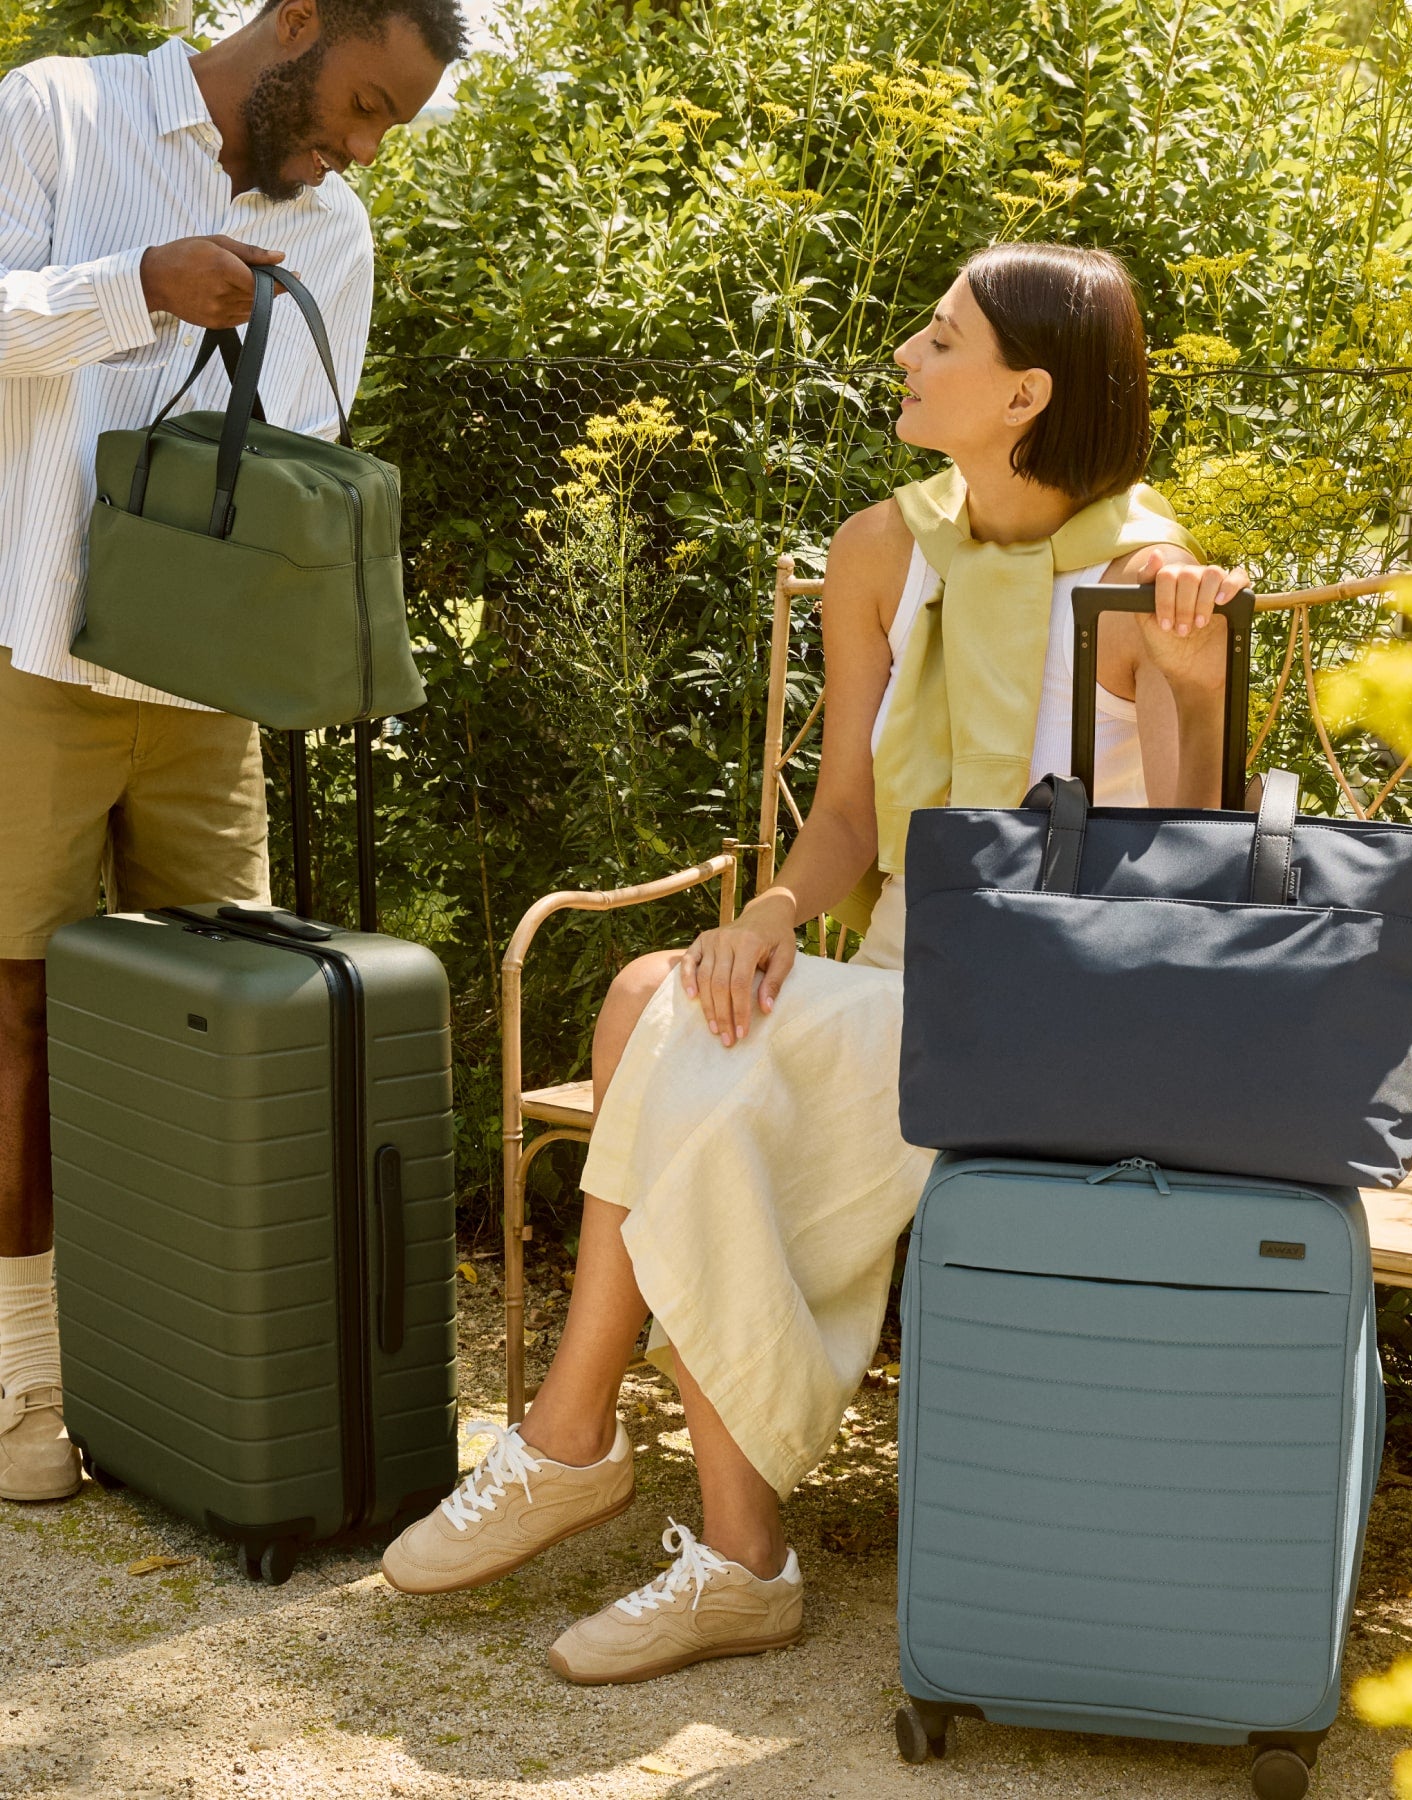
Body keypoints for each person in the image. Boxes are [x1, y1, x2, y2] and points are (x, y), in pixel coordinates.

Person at [382, 242, 1253, 1684]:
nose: (909, 356)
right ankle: (720, 1545)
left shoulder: (1145, 581)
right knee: (678, 1008)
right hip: (911, 975)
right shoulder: (883, 548)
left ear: (1026, 393)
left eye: (943, 339)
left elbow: (1187, 879)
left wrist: (1197, 684)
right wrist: (778, 909)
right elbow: (846, 817)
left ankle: (591, 1446)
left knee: (667, 1025)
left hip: (1067, 1012)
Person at [0, 0, 467, 1505]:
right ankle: (24, 1379)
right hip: (24, 645)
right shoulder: (61, 113)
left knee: (224, 1017)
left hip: (205, 689)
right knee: (18, 1018)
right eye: (364, 101)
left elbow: (291, 460)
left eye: (388, 123)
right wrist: (136, 284)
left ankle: (189, 1375)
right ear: (301, 20)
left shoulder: (332, 230)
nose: (358, 145)